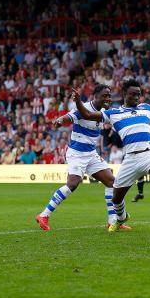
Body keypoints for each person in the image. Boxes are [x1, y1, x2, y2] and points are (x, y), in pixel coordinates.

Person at [71, 79, 150, 232]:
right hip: (130, 159)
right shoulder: (113, 113)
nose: (136, 97)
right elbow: (87, 114)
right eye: (133, 94)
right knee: (116, 198)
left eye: (139, 94)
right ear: (124, 94)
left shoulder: (146, 108)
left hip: (149, 154)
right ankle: (121, 218)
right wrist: (78, 102)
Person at [36, 85, 120, 231]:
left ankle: (112, 221)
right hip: (77, 154)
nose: (108, 98)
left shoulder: (104, 113)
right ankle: (44, 215)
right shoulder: (84, 108)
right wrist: (60, 120)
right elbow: (69, 116)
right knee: (73, 184)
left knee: (111, 181)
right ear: (95, 96)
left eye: (109, 95)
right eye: (105, 95)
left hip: (91, 154)